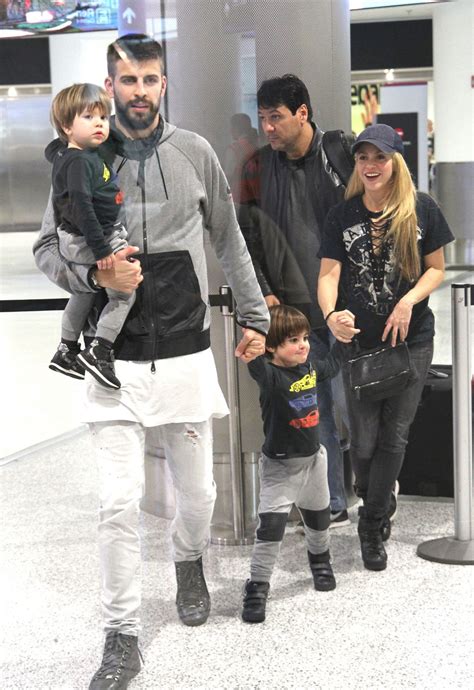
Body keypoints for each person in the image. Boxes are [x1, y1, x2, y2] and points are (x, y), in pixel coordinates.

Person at [34, 33, 269, 690]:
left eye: (150, 79)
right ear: (109, 87)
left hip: (186, 353)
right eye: (127, 80)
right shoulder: (78, 160)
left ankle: (187, 557)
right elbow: (47, 251)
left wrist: (254, 318)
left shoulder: (194, 153)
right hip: (113, 362)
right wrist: (93, 274)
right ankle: (121, 632)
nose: (139, 91)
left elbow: (230, 240)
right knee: (118, 502)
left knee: (201, 495)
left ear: (164, 85)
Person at [318, 123, 454, 572]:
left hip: (411, 339)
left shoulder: (421, 209)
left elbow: (437, 268)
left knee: (395, 434)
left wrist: (408, 302)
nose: (371, 166)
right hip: (360, 343)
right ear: (356, 164)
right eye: (363, 158)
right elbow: (328, 276)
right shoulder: (343, 215)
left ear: (397, 161)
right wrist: (330, 315)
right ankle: (377, 502)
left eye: (380, 157)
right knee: (363, 440)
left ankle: (371, 523)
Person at [238, 74, 351, 527]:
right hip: (293, 313)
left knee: (350, 407)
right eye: (263, 118)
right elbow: (247, 237)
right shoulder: (257, 167)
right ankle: (332, 504)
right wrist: (265, 293)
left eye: (276, 118)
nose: (268, 127)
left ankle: (370, 487)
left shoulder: (340, 154)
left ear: (302, 112)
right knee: (314, 408)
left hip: (347, 307)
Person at [242, 305, 343, 624]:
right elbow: (254, 362)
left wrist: (342, 334)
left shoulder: (310, 366)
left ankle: (320, 560)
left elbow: (334, 365)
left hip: (315, 461)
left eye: (304, 338)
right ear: (272, 347)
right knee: (270, 529)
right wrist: (252, 337)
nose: (302, 345)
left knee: (319, 518)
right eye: (291, 341)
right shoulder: (270, 375)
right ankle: (257, 585)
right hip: (280, 468)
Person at [47, 83, 133, 390]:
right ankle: (100, 349)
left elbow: (118, 142)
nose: (100, 123)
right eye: (89, 117)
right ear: (67, 126)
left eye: (104, 117)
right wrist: (101, 249)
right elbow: (82, 206)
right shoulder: (81, 161)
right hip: (93, 239)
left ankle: (67, 348)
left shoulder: (76, 156)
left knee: (83, 292)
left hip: (81, 238)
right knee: (124, 291)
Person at [223, 112, 258, 204]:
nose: (230, 131)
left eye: (231, 127)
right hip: (257, 196)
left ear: (237, 128)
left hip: (239, 198)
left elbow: (227, 178)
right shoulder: (257, 147)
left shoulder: (233, 149)